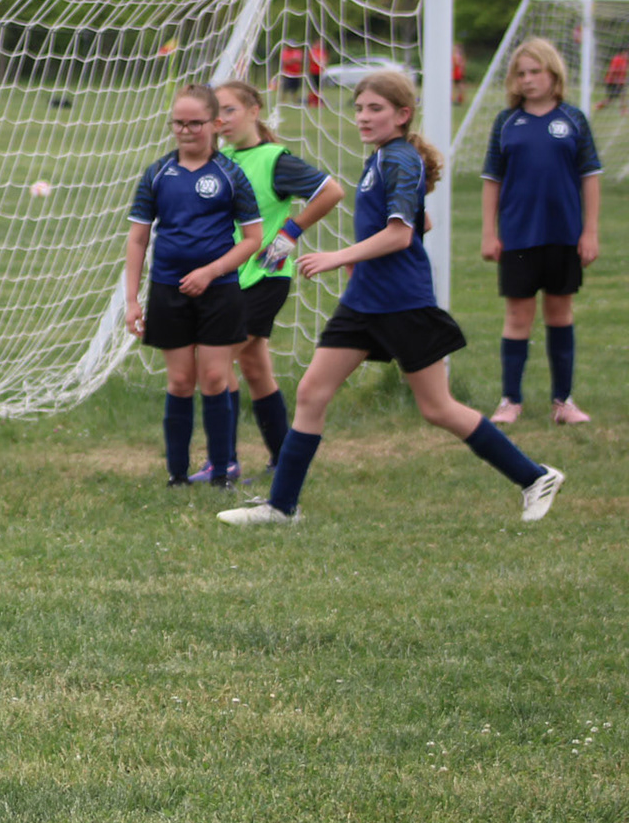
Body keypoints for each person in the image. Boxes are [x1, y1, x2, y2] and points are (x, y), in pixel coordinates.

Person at [220, 71, 565, 526]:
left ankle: (535, 477)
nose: (363, 117)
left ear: (402, 115)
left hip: (402, 302)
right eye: (359, 108)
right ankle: (281, 507)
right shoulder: (382, 157)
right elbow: (419, 223)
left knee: (437, 408)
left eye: (375, 109)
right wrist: (364, 256)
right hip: (364, 300)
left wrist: (340, 255)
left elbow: (400, 236)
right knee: (311, 392)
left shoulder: (400, 158)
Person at [186, 80, 344, 482]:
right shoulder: (219, 159)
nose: (221, 120)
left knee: (215, 363)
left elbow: (331, 191)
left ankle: (223, 463)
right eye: (215, 113)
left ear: (254, 111)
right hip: (230, 280)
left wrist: (290, 232)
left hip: (263, 278)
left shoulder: (274, 159)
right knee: (255, 369)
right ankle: (284, 458)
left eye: (230, 110)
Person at [124, 84, 265, 488]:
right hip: (168, 291)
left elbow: (253, 239)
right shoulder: (157, 173)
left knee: (215, 379)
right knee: (181, 381)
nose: (185, 131)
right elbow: (138, 239)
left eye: (195, 123)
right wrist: (132, 300)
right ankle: (177, 474)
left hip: (219, 292)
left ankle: (222, 473)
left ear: (215, 124)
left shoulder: (230, 174)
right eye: (178, 123)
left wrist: (211, 271)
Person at [480, 38, 602, 425]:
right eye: (521, 73)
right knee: (518, 316)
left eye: (535, 72)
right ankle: (510, 400)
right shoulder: (506, 122)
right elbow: (492, 180)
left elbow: (590, 177)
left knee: (559, 313)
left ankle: (563, 402)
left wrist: (590, 232)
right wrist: (489, 232)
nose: (528, 79)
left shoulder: (574, 120)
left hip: (564, 235)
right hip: (518, 235)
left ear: (554, 74)